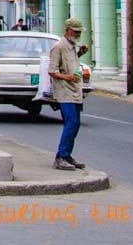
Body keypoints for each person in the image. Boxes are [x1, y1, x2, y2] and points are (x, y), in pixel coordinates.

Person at [49, 17, 89, 171]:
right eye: (75, 31)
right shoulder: (58, 47)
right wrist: (68, 77)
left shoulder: (72, 46)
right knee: (71, 122)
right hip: (64, 90)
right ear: (67, 30)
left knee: (76, 124)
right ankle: (60, 156)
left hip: (75, 89)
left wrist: (80, 53)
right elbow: (52, 70)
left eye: (79, 32)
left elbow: (70, 64)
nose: (78, 34)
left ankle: (67, 155)